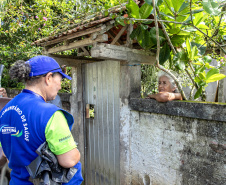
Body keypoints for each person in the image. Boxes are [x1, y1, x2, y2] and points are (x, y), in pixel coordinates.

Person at [0, 56, 83, 184]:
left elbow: (6, 155)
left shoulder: (5, 111)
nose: (60, 86)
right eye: (60, 80)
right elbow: (69, 160)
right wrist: (76, 152)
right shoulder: (50, 113)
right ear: (49, 78)